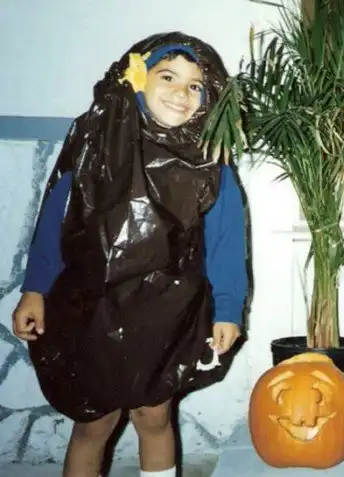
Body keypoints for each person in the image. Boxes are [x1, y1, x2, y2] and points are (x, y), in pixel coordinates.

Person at [11, 32, 249, 477]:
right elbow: (56, 219)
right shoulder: (95, 146)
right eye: (168, 77)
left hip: (168, 313)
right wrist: (35, 289)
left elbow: (227, 243)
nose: (181, 92)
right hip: (91, 308)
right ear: (137, 78)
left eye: (195, 85)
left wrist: (228, 309)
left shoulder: (210, 164)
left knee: (153, 416)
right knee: (93, 422)